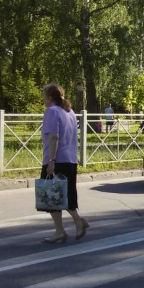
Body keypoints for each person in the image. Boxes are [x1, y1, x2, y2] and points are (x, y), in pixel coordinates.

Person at [39, 83, 89, 244]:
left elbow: (54, 137)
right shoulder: (69, 111)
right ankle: (66, 227)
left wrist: (51, 161)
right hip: (70, 159)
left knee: (51, 195)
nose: (43, 99)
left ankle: (67, 227)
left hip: (56, 159)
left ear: (49, 97)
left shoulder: (51, 111)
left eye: (44, 96)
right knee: (66, 194)